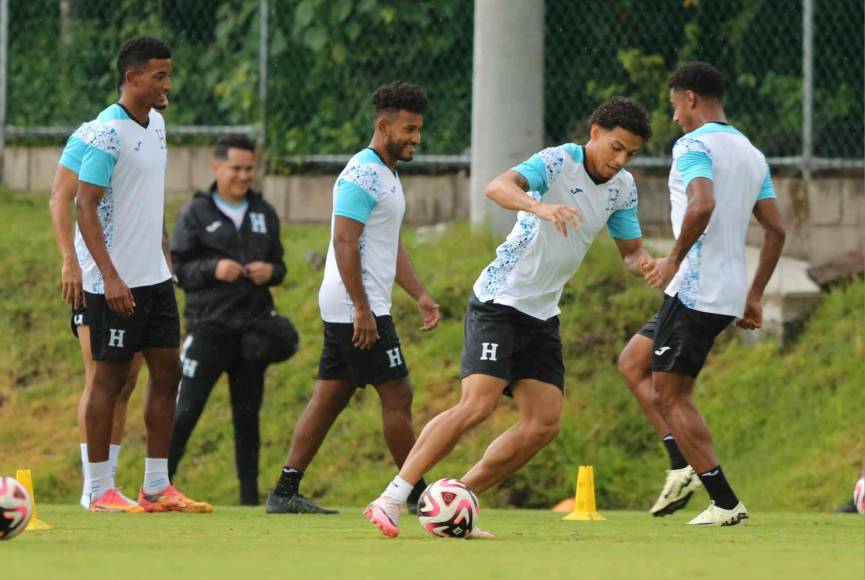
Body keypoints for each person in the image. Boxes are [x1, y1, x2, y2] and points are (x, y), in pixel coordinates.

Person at [364, 96, 654, 538]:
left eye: (630, 154)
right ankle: (391, 497)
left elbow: (632, 255)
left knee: (543, 424)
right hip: (501, 301)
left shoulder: (623, 188)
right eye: (615, 147)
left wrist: (654, 265)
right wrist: (539, 207)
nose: (621, 160)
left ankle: (453, 504)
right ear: (595, 133)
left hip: (541, 314)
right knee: (477, 404)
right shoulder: (557, 162)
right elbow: (496, 186)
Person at [266, 81, 439, 515]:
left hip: (358, 304)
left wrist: (418, 293)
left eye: (419, 129)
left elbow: (387, 244)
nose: (416, 138)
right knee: (398, 394)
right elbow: (345, 242)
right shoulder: (362, 174)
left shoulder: (387, 173)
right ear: (384, 126)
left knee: (330, 397)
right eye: (409, 129)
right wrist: (362, 308)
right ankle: (417, 495)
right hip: (355, 307)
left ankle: (284, 492)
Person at [636, 62, 785, 526]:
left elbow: (702, 203)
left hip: (695, 290)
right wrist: (755, 294)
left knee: (671, 396)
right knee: (632, 362)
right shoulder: (751, 154)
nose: (675, 115)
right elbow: (776, 229)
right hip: (725, 291)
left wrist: (672, 260)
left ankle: (724, 502)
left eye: (675, 105)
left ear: (690, 99)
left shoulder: (693, 144)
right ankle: (681, 465)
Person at [75, 36, 211, 513]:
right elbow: (84, 206)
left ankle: (156, 484)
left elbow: (147, 202)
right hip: (114, 282)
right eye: (159, 76)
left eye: (169, 74)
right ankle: (99, 490)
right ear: (132, 79)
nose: (167, 84)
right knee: (109, 381)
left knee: (168, 372)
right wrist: (109, 277)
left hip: (154, 279)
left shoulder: (157, 126)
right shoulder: (104, 132)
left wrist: (165, 263)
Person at [168, 134, 293, 506]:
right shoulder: (196, 213)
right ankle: (158, 485)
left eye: (249, 169)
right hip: (208, 329)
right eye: (236, 168)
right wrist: (213, 268)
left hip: (252, 331)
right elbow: (176, 269)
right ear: (216, 167)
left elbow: (281, 266)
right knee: (184, 412)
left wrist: (269, 271)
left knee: (247, 418)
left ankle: (247, 499)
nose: (243, 176)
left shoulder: (264, 213)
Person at [50, 123, 146, 509]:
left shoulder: (150, 135)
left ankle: (108, 484)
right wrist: (69, 262)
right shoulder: (94, 134)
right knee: (100, 376)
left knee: (127, 379)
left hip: (135, 273)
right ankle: (93, 487)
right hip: (92, 276)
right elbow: (61, 198)